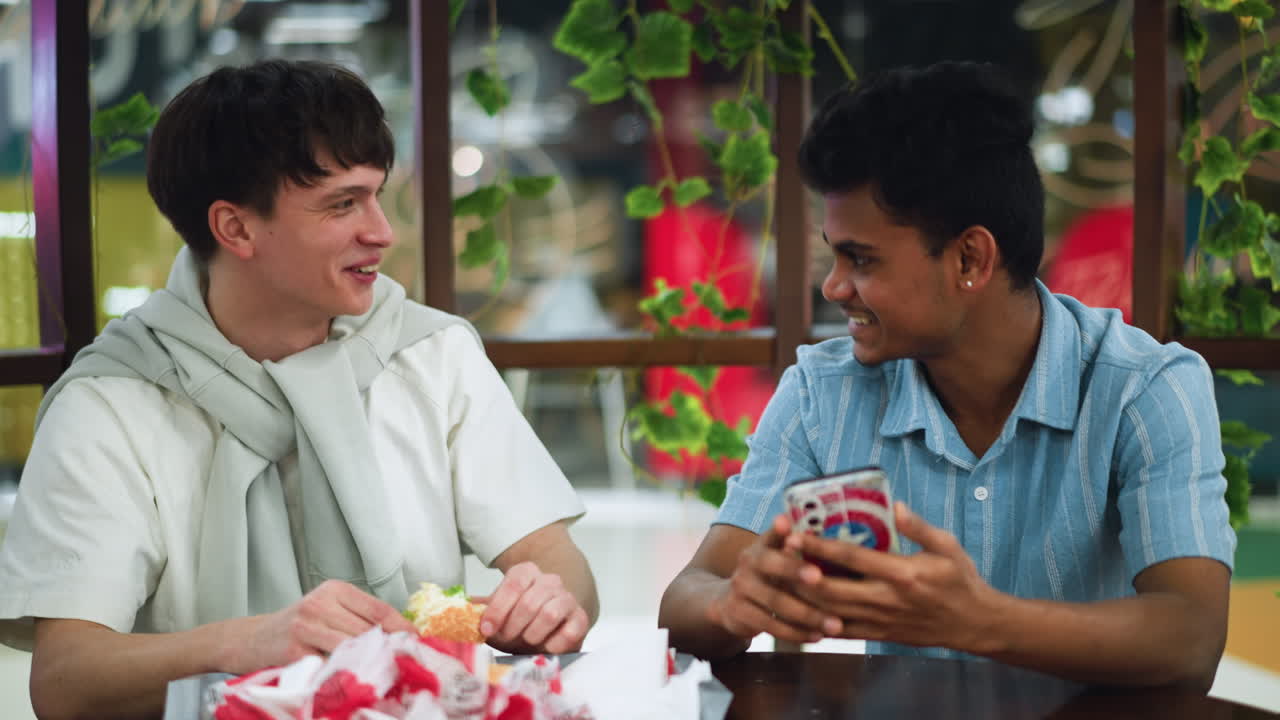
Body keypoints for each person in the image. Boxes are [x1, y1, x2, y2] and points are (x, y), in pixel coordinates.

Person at [0, 59, 598, 719]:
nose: (382, 230)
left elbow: (557, 564)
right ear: (235, 228)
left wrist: (546, 603)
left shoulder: (432, 353)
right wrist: (252, 640)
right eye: (343, 204)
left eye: (376, 194)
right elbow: (65, 681)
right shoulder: (109, 402)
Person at [659, 61, 1235, 690]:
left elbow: (1192, 636)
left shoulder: (1143, 389)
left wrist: (979, 621)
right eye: (833, 252)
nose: (833, 285)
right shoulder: (823, 393)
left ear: (970, 259)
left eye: (861, 258)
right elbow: (687, 598)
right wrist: (733, 603)